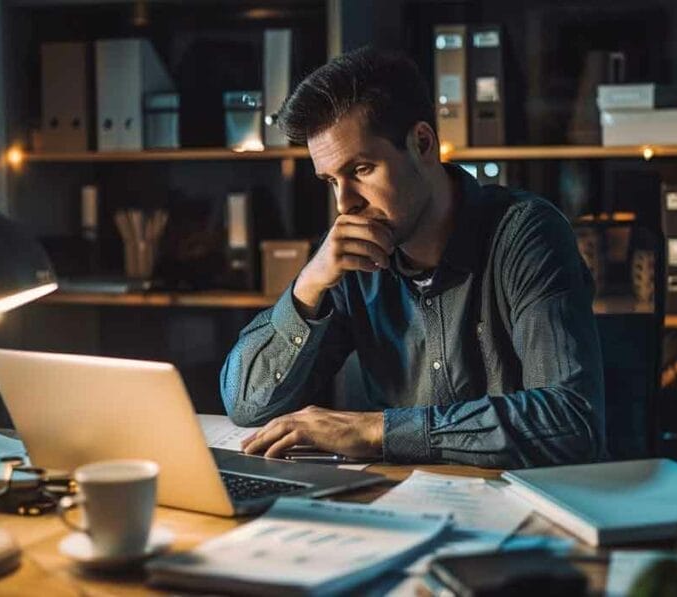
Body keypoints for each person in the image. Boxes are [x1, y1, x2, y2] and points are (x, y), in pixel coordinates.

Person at [219, 47, 605, 469]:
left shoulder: (527, 234)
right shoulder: (350, 255)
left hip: (521, 510)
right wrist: (308, 286)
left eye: (362, 170)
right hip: (403, 502)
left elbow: (570, 422)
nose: (344, 203)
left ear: (422, 143)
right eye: (331, 180)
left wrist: (373, 430)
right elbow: (247, 405)